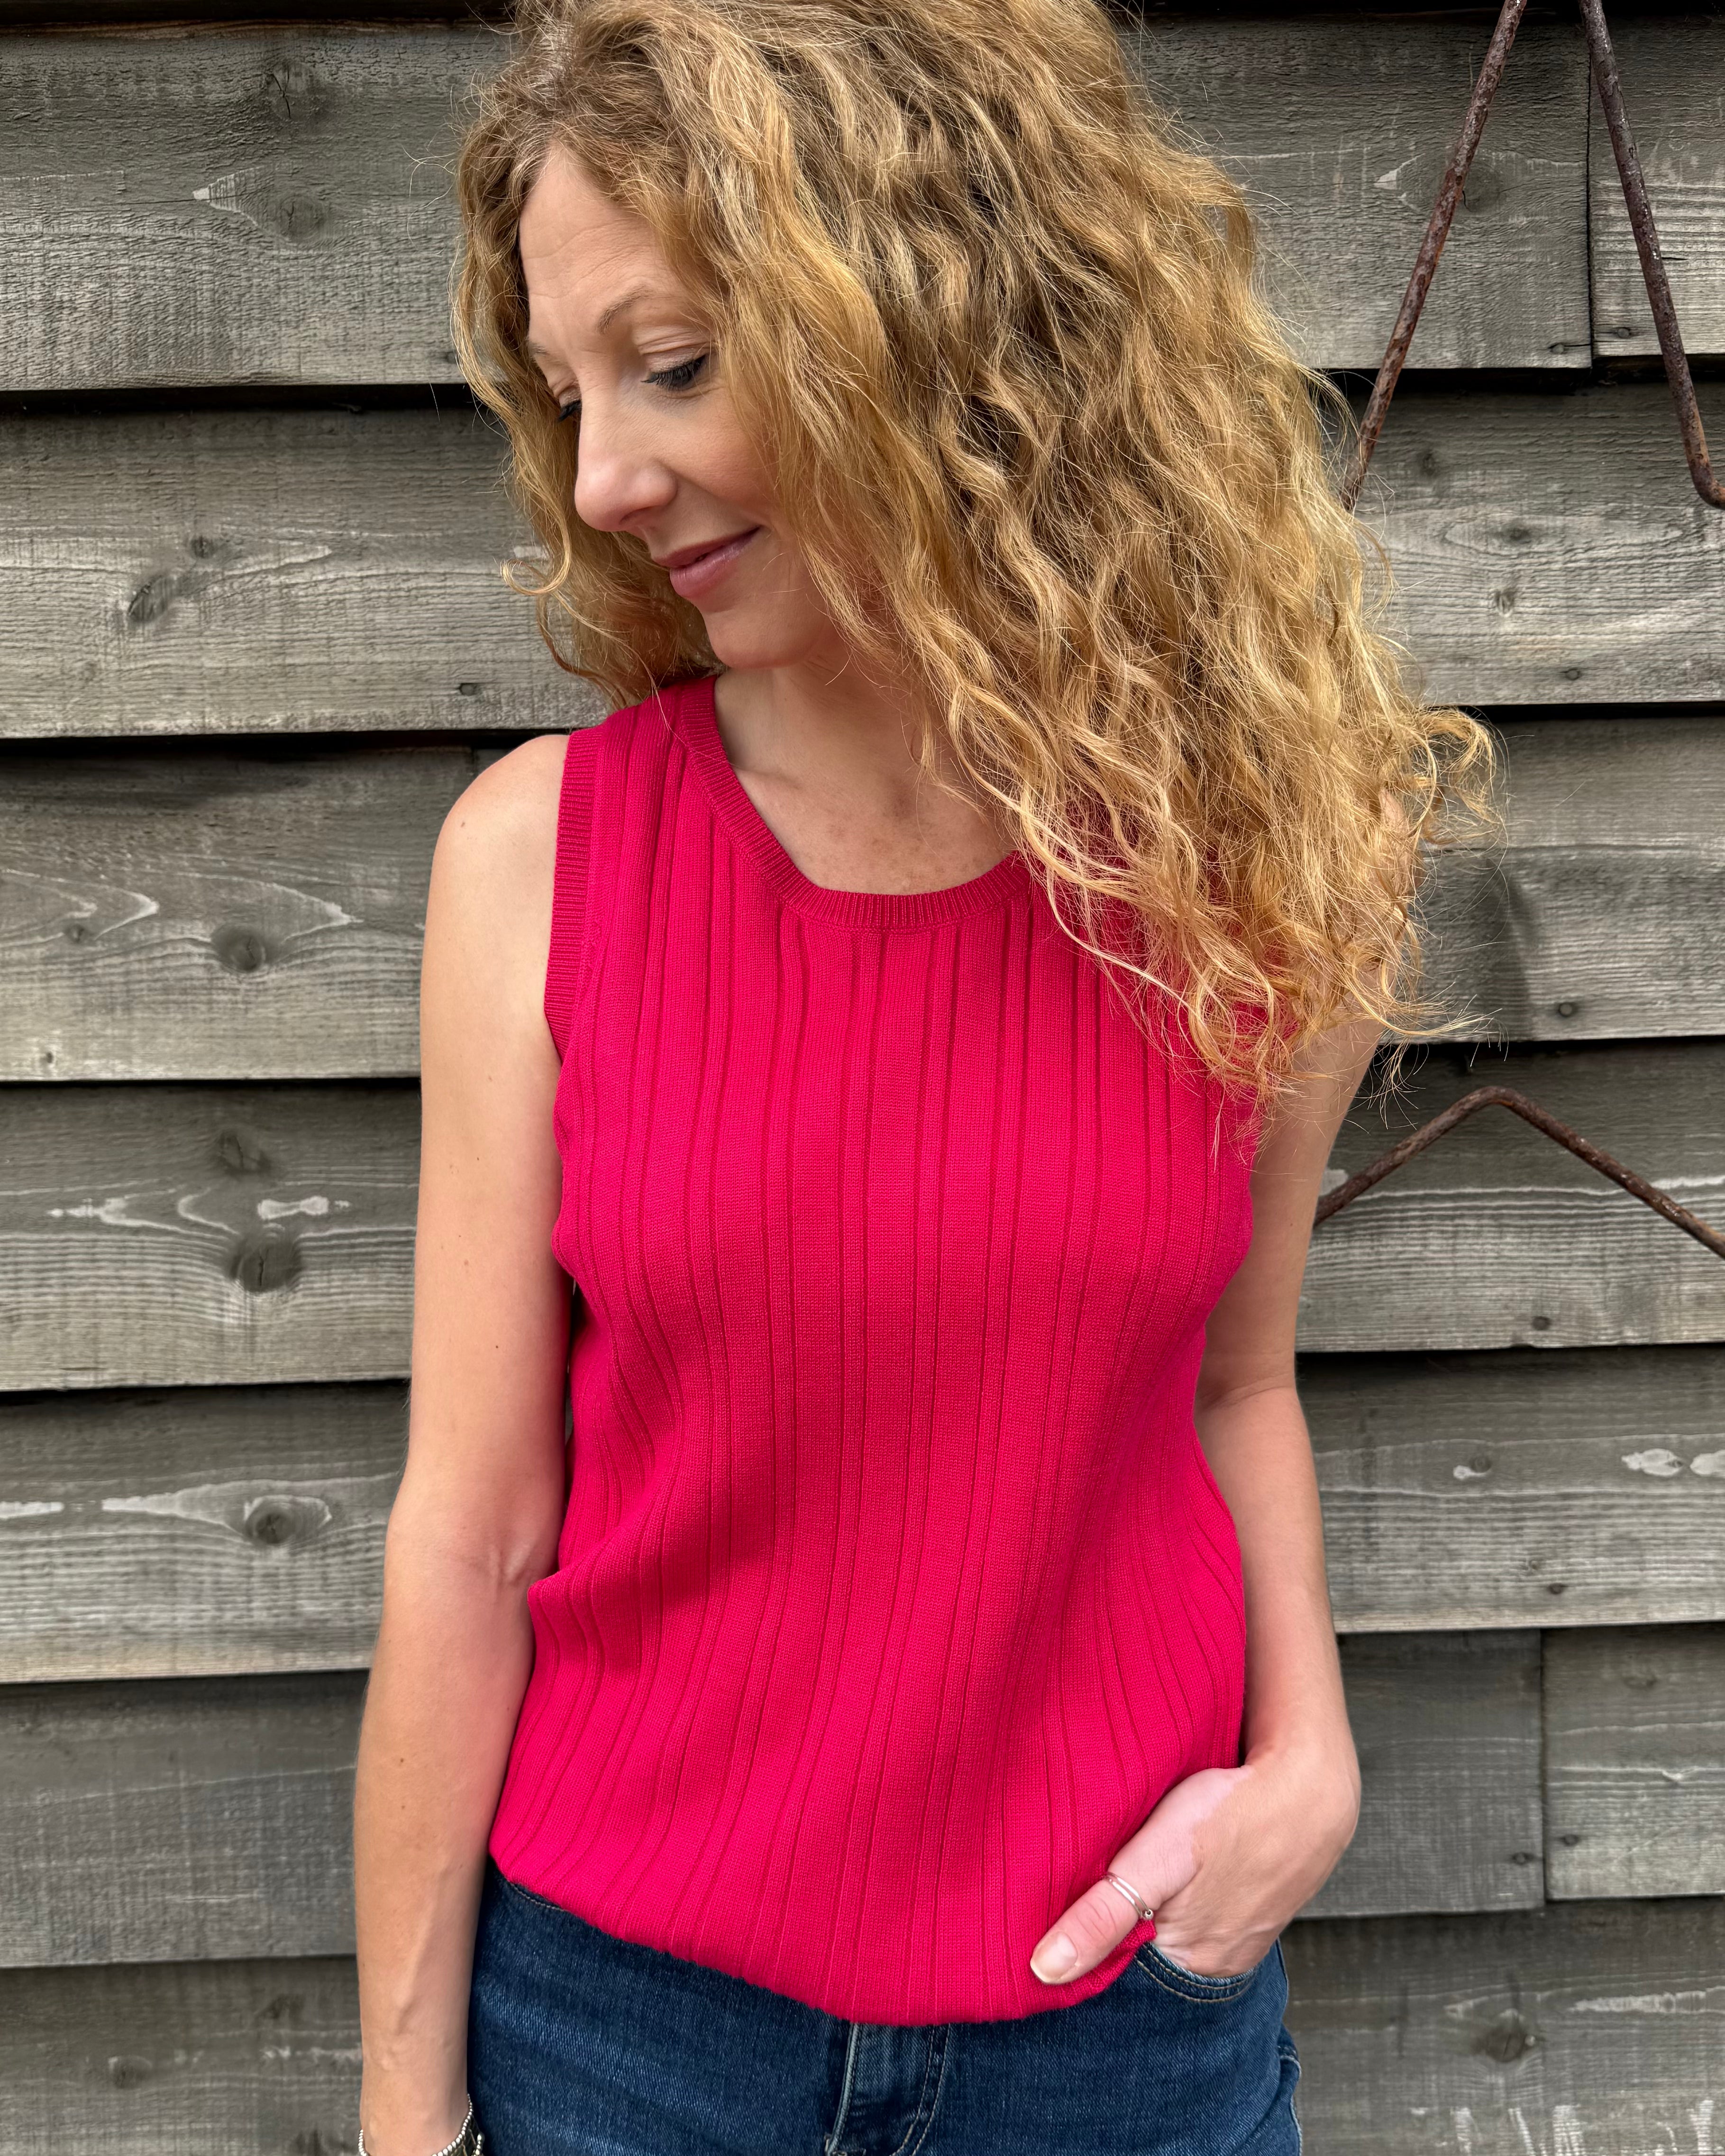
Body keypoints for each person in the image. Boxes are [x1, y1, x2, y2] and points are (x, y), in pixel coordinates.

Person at [351, 0, 1491, 2149]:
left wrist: (1309, 1759)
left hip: (1123, 2039)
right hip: (624, 2048)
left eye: (672, 364)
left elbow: (1229, 1384)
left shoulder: (1260, 859)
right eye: (572, 389)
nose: (602, 475)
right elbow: (471, 1532)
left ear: (920, 314)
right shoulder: (543, 862)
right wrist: (408, 2118)